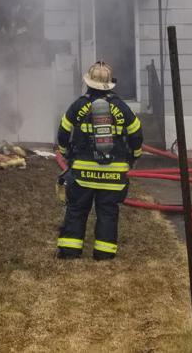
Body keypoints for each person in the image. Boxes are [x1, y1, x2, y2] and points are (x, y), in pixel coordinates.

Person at [56, 61, 143, 261]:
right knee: (108, 211)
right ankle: (104, 253)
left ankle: (70, 251)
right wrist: (134, 156)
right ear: (109, 85)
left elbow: (63, 133)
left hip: (82, 173)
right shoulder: (121, 107)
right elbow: (136, 135)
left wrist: (66, 154)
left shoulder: (78, 105)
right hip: (113, 173)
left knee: (77, 208)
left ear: (88, 83)